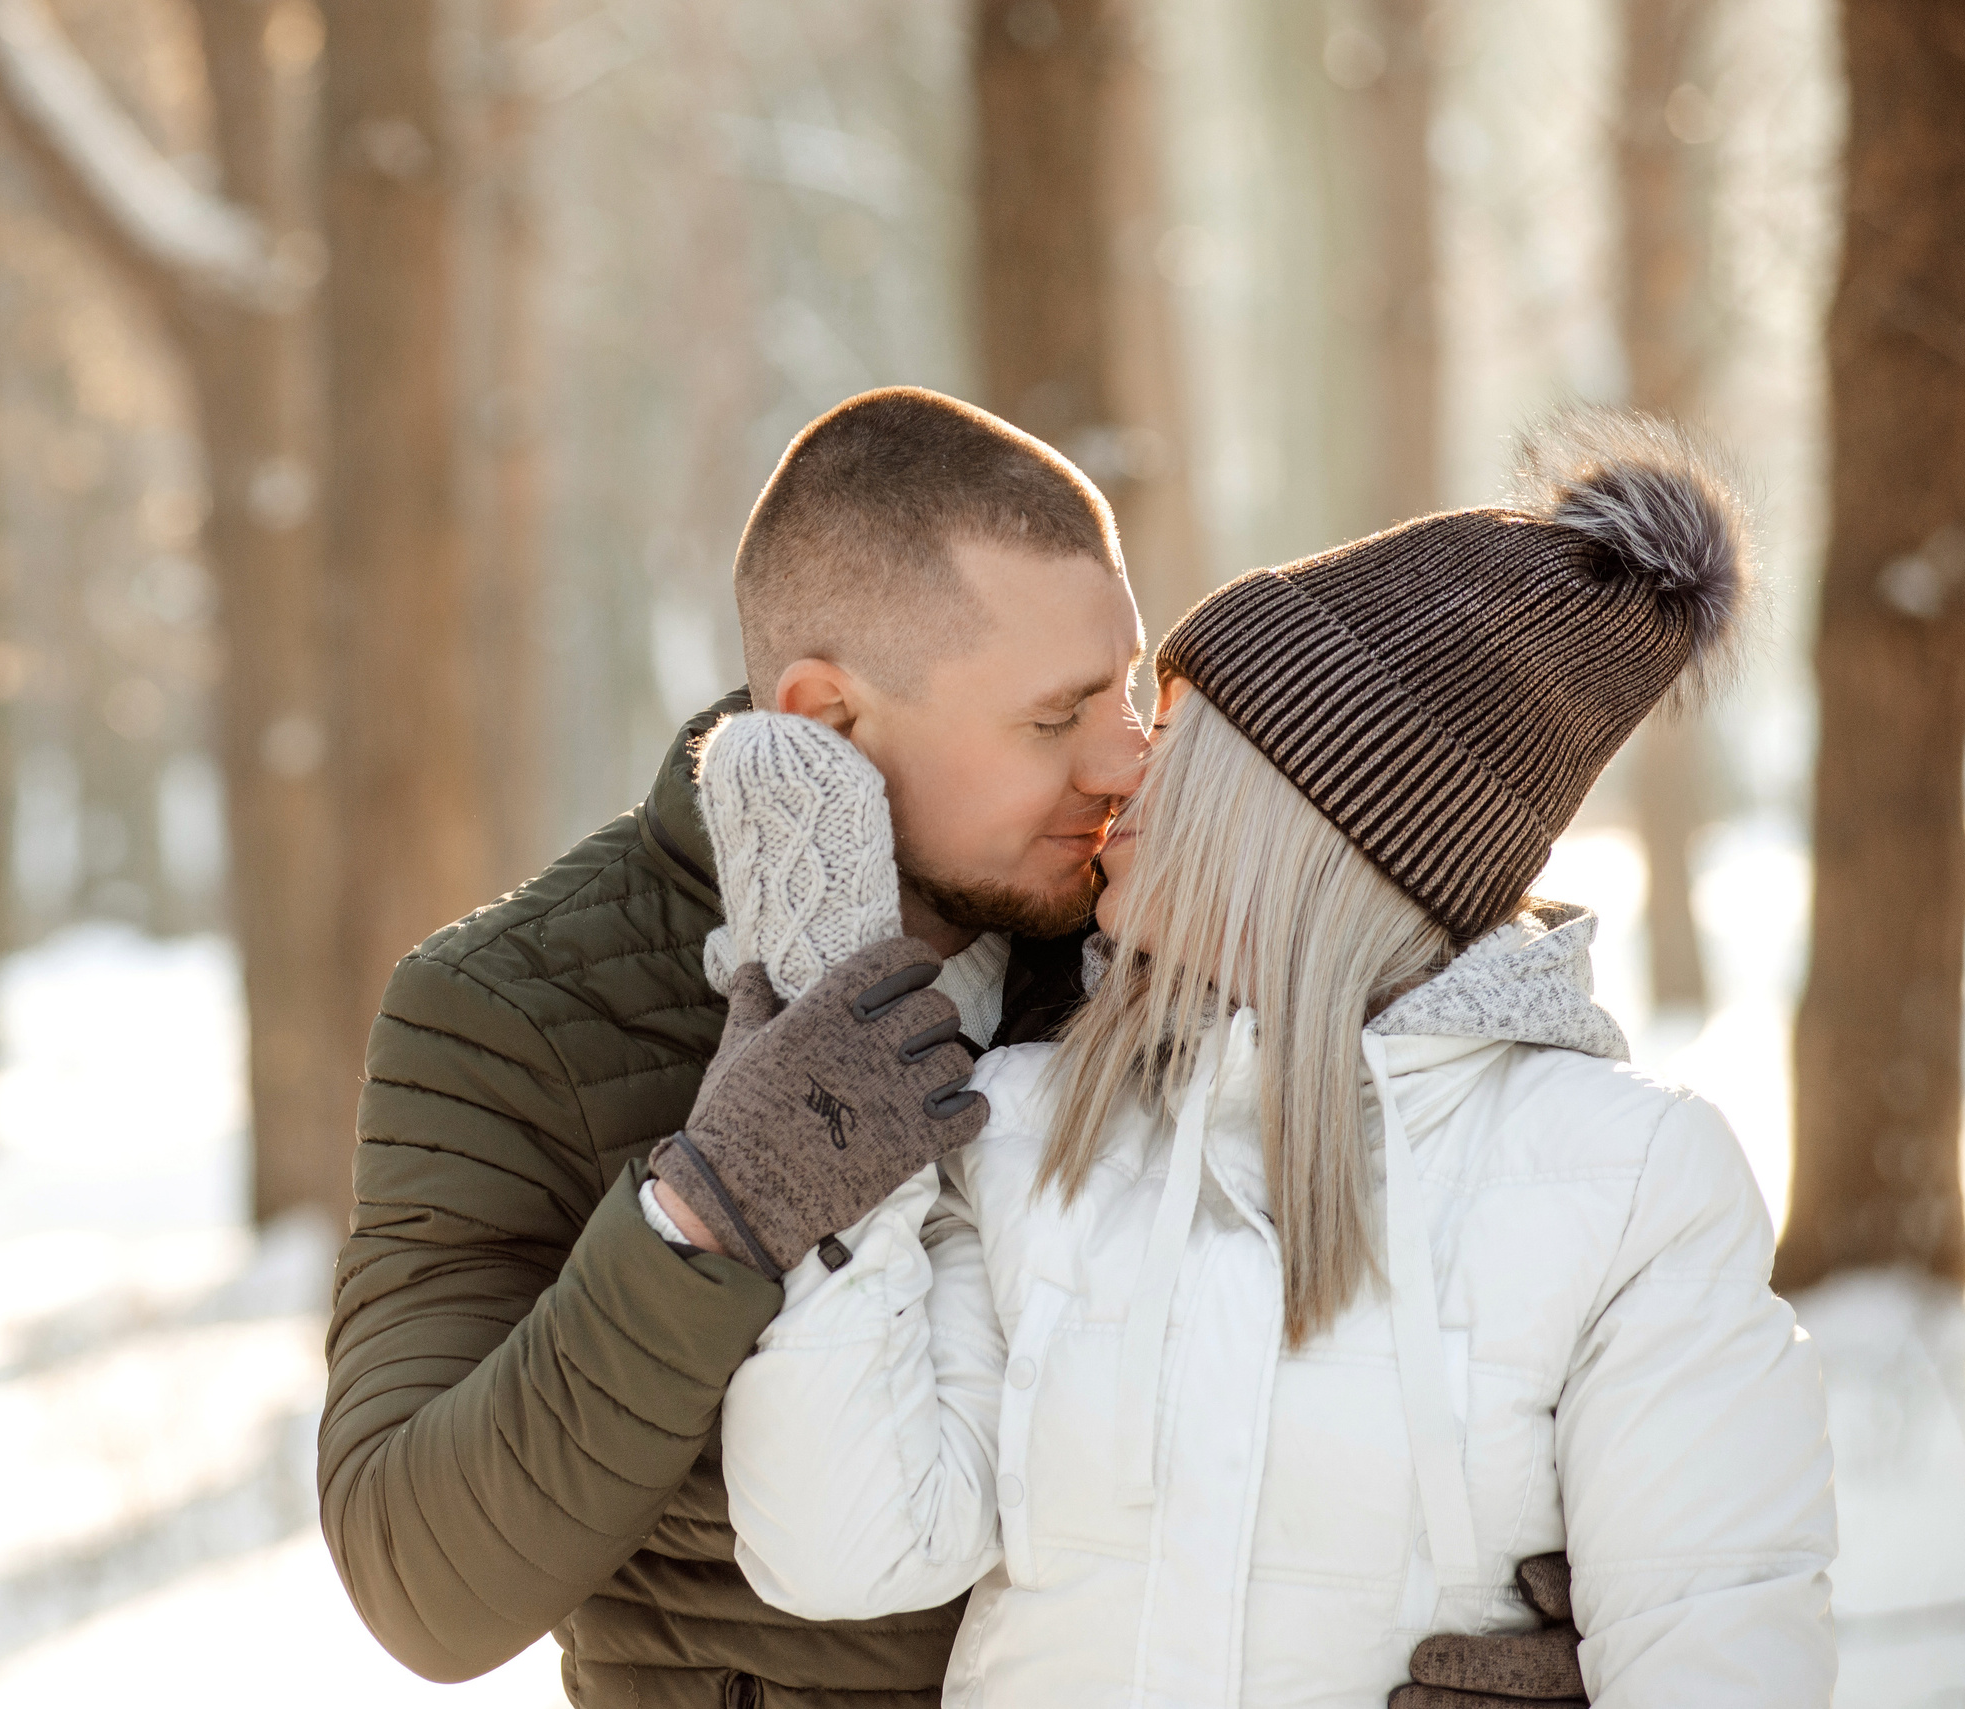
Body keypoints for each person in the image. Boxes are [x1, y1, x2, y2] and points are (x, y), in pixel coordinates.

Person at [320, 387, 1586, 1708]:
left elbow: (1474, 1256)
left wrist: (1565, 1629)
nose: (1125, 763)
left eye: (1129, 694)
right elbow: (422, 1586)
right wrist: (708, 1213)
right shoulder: (518, 1007)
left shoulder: (1163, 949)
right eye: (1053, 720)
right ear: (825, 719)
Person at [703, 414, 1838, 1706]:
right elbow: (847, 1547)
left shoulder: (1632, 1178)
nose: (1125, 764)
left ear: (1293, 812)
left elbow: (1727, 1643)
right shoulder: (1026, 1121)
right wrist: (823, 997)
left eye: (1177, 727)